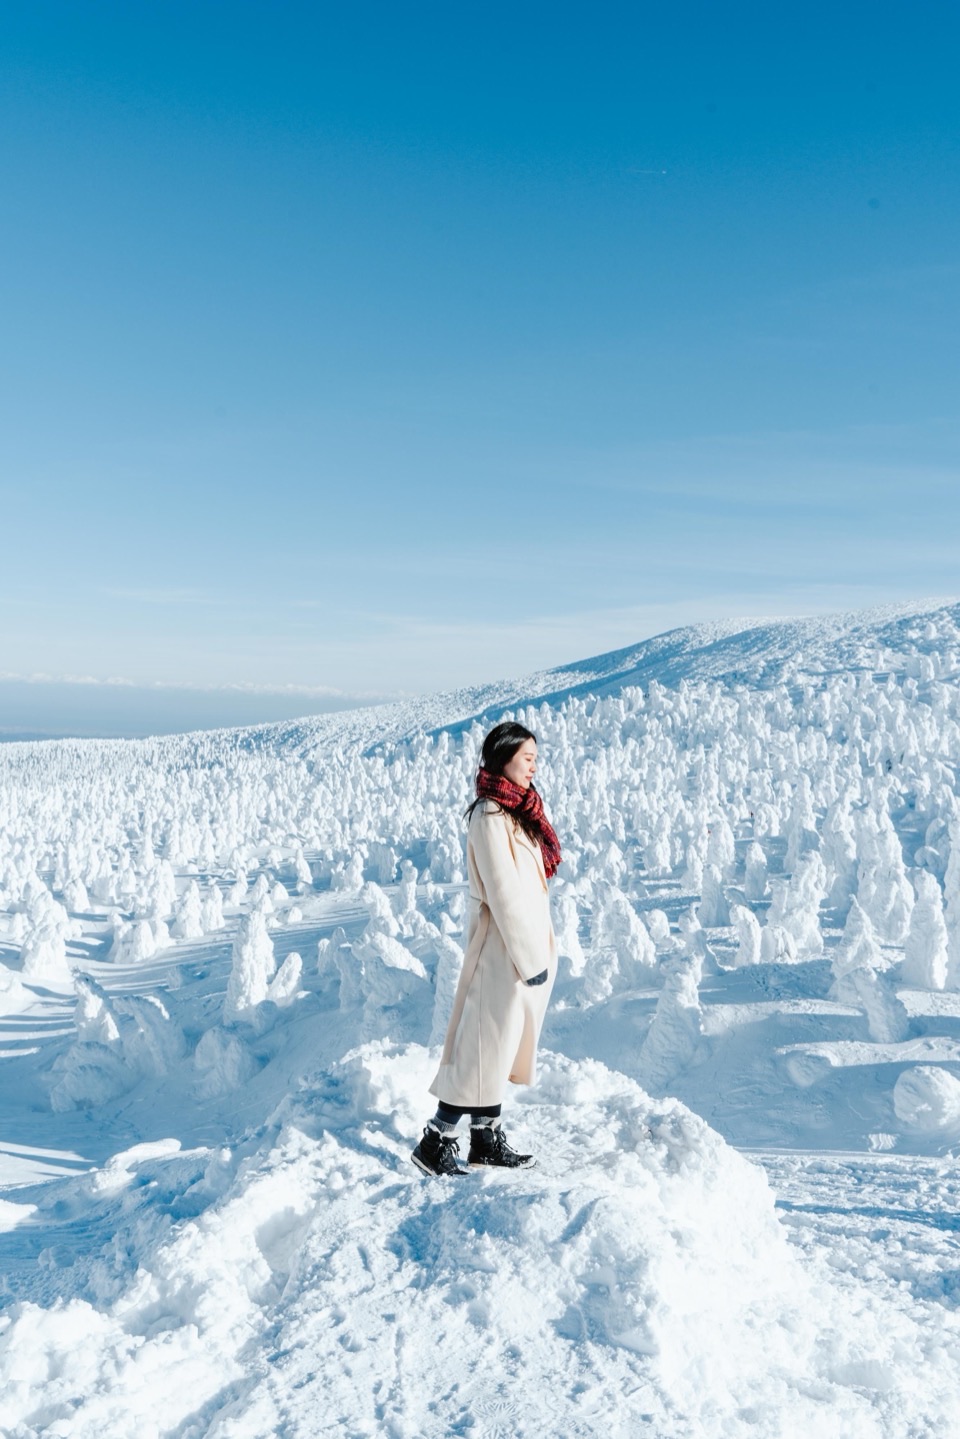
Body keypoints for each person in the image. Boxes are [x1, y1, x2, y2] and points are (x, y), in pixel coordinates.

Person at [412, 721, 562, 1177]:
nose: (534, 767)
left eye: (536, 759)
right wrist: (529, 958)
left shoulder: (515, 810)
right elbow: (503, 893)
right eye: (527, 758)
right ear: (504, 758)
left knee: (497, 1046)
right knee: (479, 1049)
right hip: (501, 949)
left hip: (517, 949)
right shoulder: (490, 816)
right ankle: (435, 1142)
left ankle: (485, 1139)